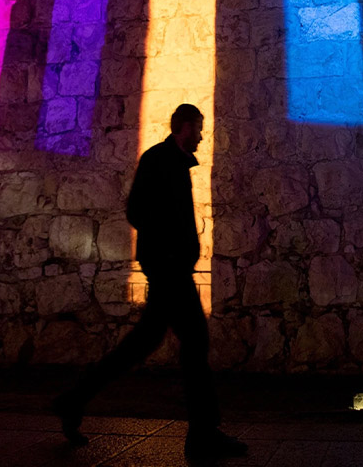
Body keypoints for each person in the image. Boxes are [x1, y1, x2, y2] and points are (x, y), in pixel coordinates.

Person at [54, 103, 247, 462]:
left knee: (142, 345)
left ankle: (74, 400)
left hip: (169, 268)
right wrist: (171, 251)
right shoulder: (159, 159)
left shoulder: (172, 161)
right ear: (185, 126)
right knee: (195, 342)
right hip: (168, 269)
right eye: (199, 128)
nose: (203, 136)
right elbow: (137, 211)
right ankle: (203, 433)